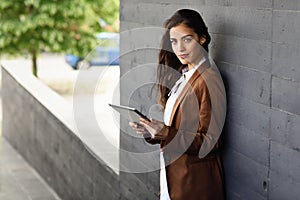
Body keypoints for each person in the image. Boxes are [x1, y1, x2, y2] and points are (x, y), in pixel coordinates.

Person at [129, 9, 226, 200]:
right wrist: (155, 132)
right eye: (174, 42)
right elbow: (180, 129)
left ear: (202, 39)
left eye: (187, 39)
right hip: (174, 179)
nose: (180, 48)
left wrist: (167, 133)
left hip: (194, 185)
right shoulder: (184, 75)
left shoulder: (209, 79)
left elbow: (210, 141)